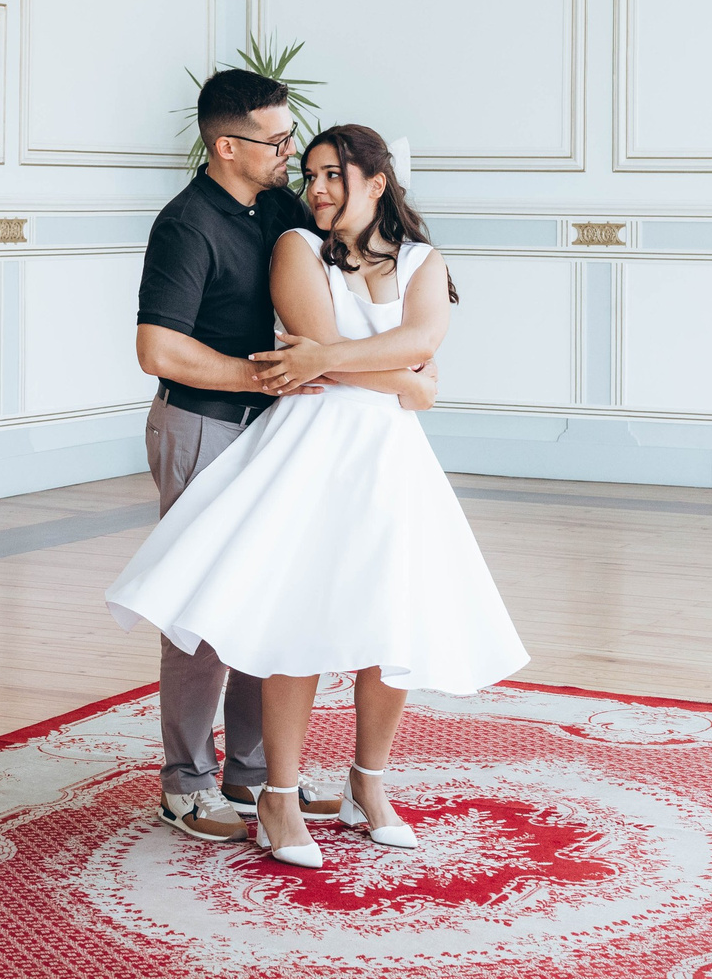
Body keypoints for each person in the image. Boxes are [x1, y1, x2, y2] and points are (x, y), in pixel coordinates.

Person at [109, 124, 527, 869]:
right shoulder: (297, 247)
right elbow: (322, 355)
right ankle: (273, 792)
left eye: (334, 174)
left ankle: (369, 784)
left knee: (393, 613)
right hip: (309, 447)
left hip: (390, 459)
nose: (318, 188)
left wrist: (374, 368)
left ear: (377, 181)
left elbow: (405, 342)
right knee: (291, 613)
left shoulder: (424, 260)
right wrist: (407, 383)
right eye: (311, 174)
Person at [131, 69, 354, 843]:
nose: (290, 152)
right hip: (202, 425)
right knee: (201, 606)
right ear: (226, 146)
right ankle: (186, 784)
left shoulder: (284, 208)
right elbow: (157, 349)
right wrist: (261, 376)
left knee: (268, 598)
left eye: (292, 136)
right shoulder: (185, 224)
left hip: (276, 432)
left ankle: (254, 773)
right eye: (277, 140)